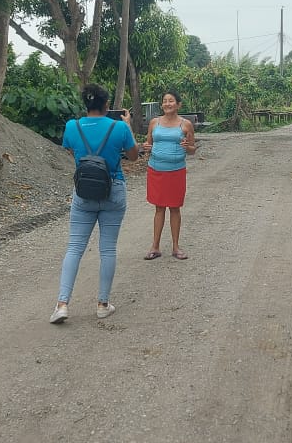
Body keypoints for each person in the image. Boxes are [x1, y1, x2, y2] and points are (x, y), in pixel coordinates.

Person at [51, 83, 140, 324]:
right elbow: (133, 156)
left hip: (84, 193)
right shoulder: (119, 127)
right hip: (114, 190)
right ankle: (102, 304)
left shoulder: (72, 126)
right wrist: (128, 126)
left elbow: (73, 153)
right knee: (107, 248)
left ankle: (62, 305)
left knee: (74, 247)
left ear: (86, 104)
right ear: (107, 105)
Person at [142, 89, 197, 261]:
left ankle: (176, 247)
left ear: (178, 104)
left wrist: (187, 147)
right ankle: (155, 247)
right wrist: (146, 147)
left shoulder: (186, 125)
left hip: (176, 171)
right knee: (159, 208)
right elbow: (148, 144)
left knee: (175, 207)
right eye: (165, 101)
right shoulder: (154, 123)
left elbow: (192, 150)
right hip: (156, 170)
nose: (167, 104)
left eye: (171, 101)